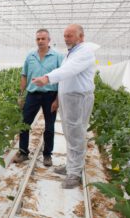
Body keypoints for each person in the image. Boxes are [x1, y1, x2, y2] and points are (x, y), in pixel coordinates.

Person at [32, 24, 95, 189]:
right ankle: (71, 166)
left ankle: (75, 174)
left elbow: (68, 70)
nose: (66, 38)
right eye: (65, 35)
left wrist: (47, 78)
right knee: (70, 134)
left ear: (81, 36)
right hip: (70, 99)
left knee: (76, 134)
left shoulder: (85, 52)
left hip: (78, 99)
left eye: (70, 35)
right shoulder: (72, 52)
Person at [13, 29, 63, 166]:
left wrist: (57, 100)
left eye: (43, 39)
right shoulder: (30, 56)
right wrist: (21, 95)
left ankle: (47, 155)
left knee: (49, 126)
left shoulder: (58, 57)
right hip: (32, 94)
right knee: (24, 123)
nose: (40, 41)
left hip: (50, 95)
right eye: (38, 39)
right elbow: (24, 75)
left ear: (49, 40)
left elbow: (62, 79)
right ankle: (23, 152)